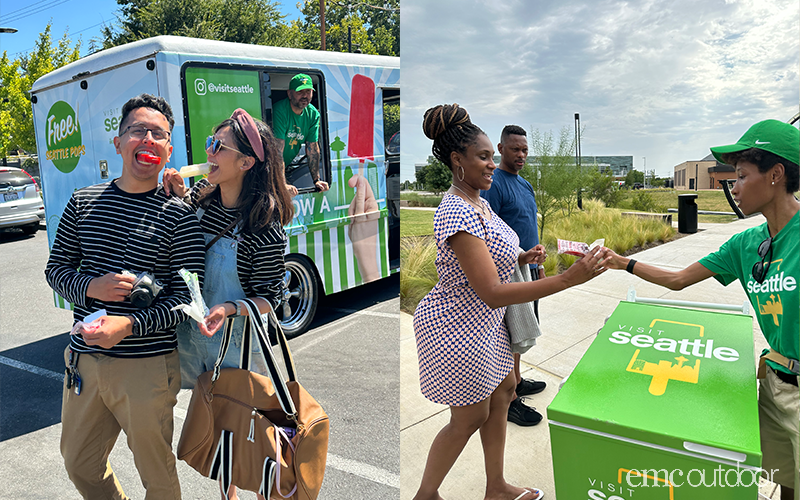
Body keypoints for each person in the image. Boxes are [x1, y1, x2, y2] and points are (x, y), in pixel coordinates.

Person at [412, 103, 607, 500]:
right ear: (457, 160)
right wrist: (567, 279)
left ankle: (496, 487)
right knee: (468, 418)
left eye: (490, 155)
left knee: (504, 393)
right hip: (457, 329)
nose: (491, 164)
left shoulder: (478, 201)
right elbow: (491, 291)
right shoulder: (455, 212)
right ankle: (426, 495)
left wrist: (521, 257)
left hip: (485, 326)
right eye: (483, 156)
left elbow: (487, 257)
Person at [603, 119, 799, 500]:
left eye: (741, 176)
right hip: (775, 386)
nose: (734, 187)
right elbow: (678, 279)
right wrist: (621, 262)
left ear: (776, 174)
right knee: (785, 480)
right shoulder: (745, 245)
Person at [44, 93, 205, 499]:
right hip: (84, 361)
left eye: (158, 134)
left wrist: (130, 324)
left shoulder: (178, 214)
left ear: (168, 149)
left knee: (157, 474)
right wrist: (89, 287)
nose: (147, 139)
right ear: (119, 142)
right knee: (79, 462)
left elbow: (188, 299)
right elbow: (56, 268)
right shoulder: (83, 203)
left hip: (147, 367)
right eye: (138, 130)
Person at [163, 109, 293, 500]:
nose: (209, 152)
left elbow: (270, 298)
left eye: (219, 146)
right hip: (200, 339)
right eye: (209, 144)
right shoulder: (201, 197)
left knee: (252, 427)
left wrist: (231, 308)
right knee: (220, 429)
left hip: (240, 344)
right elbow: (178, 232)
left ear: (246, 162)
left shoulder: (264, 223)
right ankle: (228, 496)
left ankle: (272, 491)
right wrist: (171, 193)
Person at [481, 124, 547, 427]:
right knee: (507, 338)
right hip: (507, 274)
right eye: (515, 149)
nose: (520, 155)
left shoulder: (525, 184)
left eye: (524, 150)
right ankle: (509, 401)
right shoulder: (494, 185)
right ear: (501, 148)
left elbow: (525, 224)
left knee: (521, 332)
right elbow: (486, 232)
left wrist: (537, 263)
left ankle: (517, 381)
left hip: (528, 269)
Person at [273, 73, 329, 195]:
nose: (305, 95)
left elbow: (312, 148)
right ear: (289, 93)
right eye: (300, 92)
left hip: (286, 166)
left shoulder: (313, 114)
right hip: (269, 168)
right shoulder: (280, 110)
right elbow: (277, 151)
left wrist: (316, 180)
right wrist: (282, 184)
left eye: (308, 91)